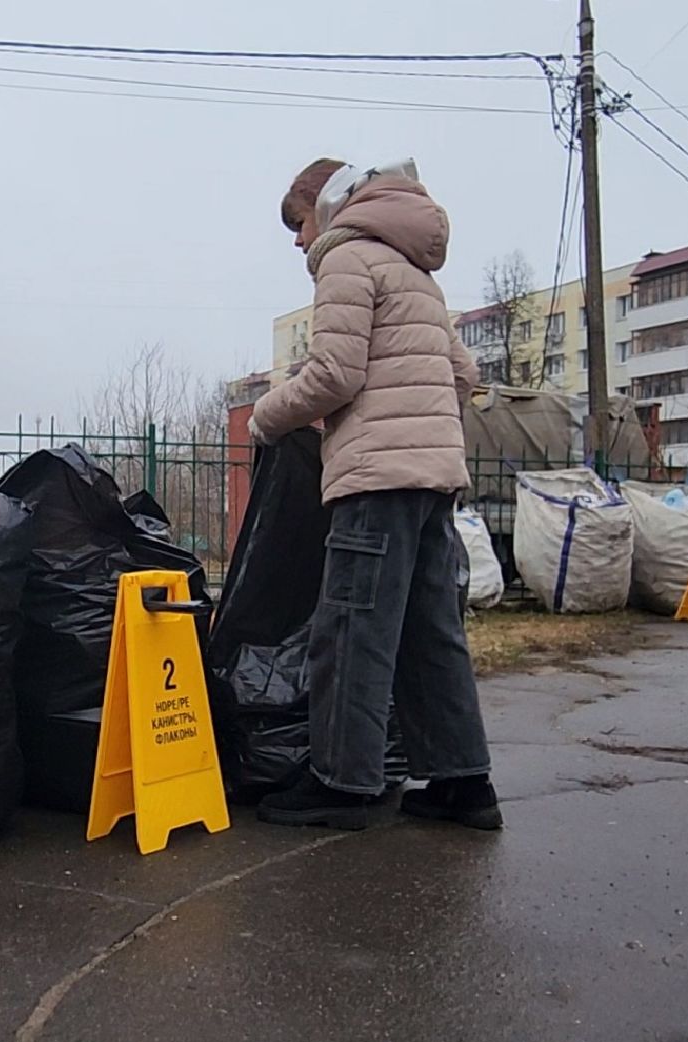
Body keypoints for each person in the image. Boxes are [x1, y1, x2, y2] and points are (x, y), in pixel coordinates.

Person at [249, 158, 500, 832]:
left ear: (325, 206)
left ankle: (343, 782)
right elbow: (464, 373)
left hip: (378, 479)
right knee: (430, 633)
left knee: (352, 630)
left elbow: (334, 373)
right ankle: (463, 783)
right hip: (433, 478)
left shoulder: (348, 258)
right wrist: (425, 436)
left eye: (298, 225)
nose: (299, 243)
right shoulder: (413, 270)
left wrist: (266, 417)